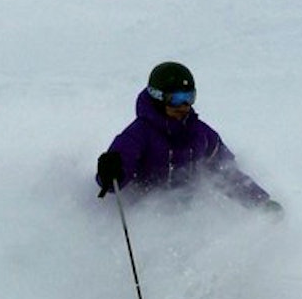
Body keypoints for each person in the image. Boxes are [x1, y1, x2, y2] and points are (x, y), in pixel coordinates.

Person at [96, 61, 281, 212]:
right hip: (145, 216)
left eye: (189, 97)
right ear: (158, 97)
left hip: (186, 218)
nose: (184, 105)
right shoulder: (138, 135)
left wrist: (259, 202)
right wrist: (110, 173)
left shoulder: (202, 135)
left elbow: (226, 173)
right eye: (176, 98)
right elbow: (111, 183)